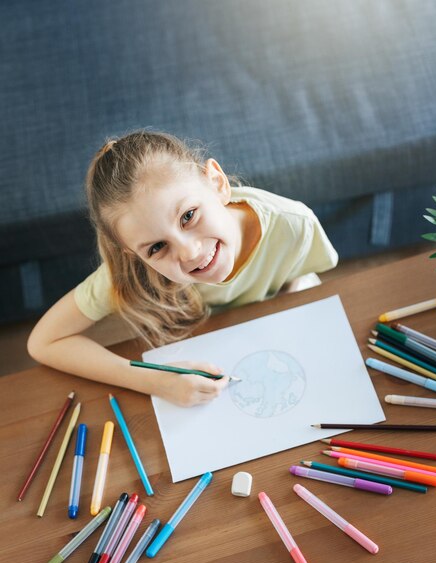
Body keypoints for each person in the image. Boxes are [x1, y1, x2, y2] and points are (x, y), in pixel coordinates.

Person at [27, 130, 338, 406]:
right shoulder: (129, 272)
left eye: (188, 216)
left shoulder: (294, 223)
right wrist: (154, 381)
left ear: (217, 183)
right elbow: (43, 342)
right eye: (157, 247)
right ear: (132, 253)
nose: (190, 252)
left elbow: (302, 278)